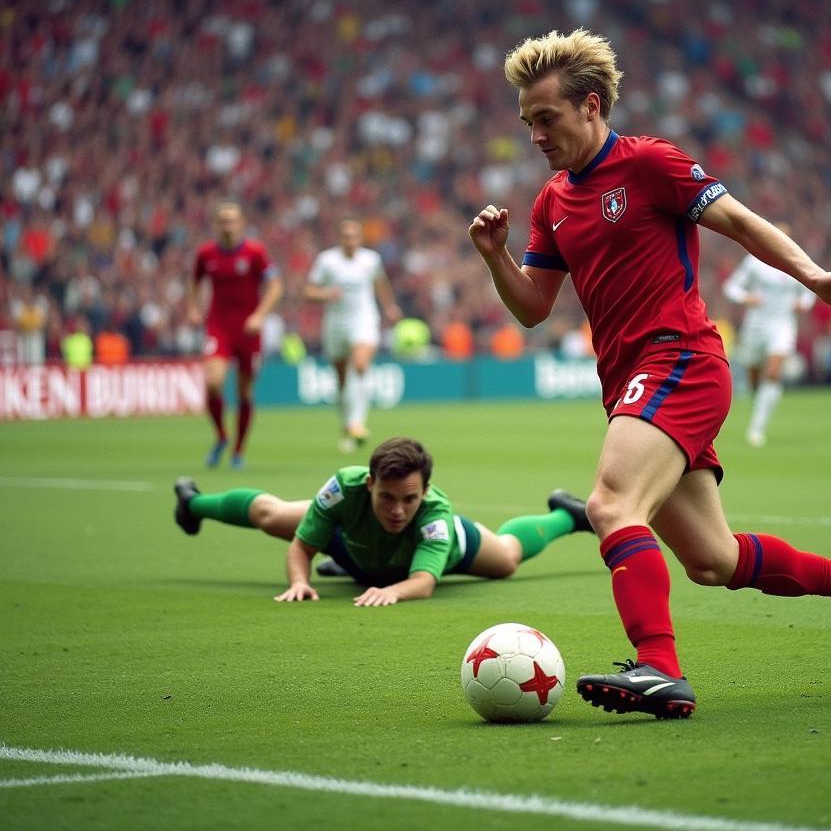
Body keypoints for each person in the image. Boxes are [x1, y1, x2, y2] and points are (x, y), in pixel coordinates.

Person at [469, 28, 831, 721]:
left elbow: (739, 222)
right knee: (714, 560)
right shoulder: (552, 201)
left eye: (545, 117)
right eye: (527, 121)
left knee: (611, 506)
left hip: (679, 358)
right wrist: (496, 256)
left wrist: (813, 277)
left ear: (591, 106)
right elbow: (532, 308)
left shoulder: (650, 163)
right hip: (629, 381)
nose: (534, 134)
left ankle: (660, 668)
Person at [172, 435, 593, 605]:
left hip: (430, 556)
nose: (397, 510)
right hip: (351, 540)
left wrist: (394, 591)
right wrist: (299, 581)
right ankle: (192, 503)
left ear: (424, 492)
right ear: (370, 484)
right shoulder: (344, 488)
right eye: (386, 497)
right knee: (271, 514)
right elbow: (301, 546)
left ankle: (566, 515)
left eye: (408, 499)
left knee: (506, 559)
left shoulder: (434, 516)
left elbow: (424, 583)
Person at [186, 200, 282, 469]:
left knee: (245, 393)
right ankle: (221, 435)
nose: (227, 225)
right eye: (223, 220)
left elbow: (276, 287)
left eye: (232, 219)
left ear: (241, 223)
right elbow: (194, 280)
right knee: (213, 382)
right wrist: (193, 308)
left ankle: (238, 450)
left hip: (249, 330)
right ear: (216, 224)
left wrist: (260, 315)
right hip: (219, 327)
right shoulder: (206, 254)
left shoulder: (255, 252)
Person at [303, 218, 403, 452]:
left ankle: (356, 424)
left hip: (364, 320)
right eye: (346, 236)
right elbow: (308, 291)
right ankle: (346, 425)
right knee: (340, 380)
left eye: (354, 236)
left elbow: (381, 283)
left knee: (359, 365)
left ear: (360, 238)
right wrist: (326, 294)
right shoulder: (327, 261)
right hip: (335, 324)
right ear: (340, 238)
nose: (350, 240)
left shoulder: (370, 259)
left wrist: (389, 306)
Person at [722, 225, 815, 447]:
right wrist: (746, 298)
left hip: (782, 325)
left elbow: (811, 288)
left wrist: (804, 304)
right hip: (755, 326)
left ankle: (757, 428)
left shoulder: (797, 262)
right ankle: (759, 396)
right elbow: (731, 287)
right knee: (754, 376)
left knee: (772, 373)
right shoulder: (755, 263)